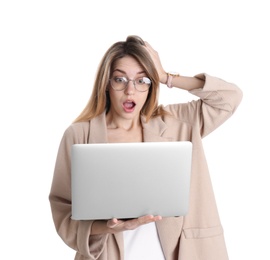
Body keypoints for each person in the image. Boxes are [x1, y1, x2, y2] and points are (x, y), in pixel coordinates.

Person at [49, 35, 243, 260]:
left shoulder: (176, 123)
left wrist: (165, 76)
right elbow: (62, 208)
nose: (130, 91)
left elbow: (230, 98)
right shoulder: (79, 135)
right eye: (120, 79)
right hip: (109, 254)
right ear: (106, 84)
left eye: (142, 80)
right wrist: (107, 228)